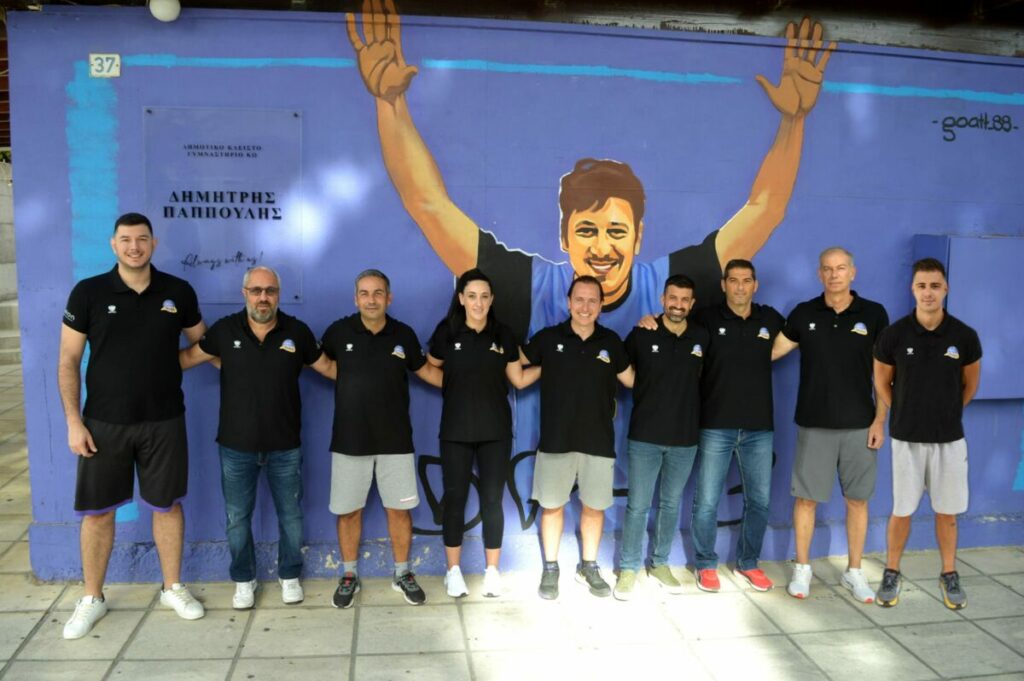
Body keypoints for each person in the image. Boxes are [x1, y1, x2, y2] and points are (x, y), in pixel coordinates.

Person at [346, 2, 836, 340]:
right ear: (563, 236)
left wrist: (793, 121)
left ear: (639, 237)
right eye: (587, 229)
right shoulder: (532, 287)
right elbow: (428, 203)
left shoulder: (666, 285)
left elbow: (765, 209)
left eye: (617, 231)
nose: (603, 247)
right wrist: (391, 104)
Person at [58, 212, 206, 640]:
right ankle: (92, 597)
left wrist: (169, 365)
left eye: (142, 239)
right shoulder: (88, 292)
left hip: (164, 420)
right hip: (103, 423)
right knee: (97, 513)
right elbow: (68, 360)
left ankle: (172, 588)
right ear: (113, 244)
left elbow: (202, 344)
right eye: (126, 239)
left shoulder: (177, 291)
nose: (134, 247)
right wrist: (73, 421)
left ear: (153, 244)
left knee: (167, 506)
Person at [180, 266, 335, 609]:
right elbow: (187, 358)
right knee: (237, 519)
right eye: (256, 290)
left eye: (270, 291)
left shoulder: (297, 332)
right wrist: (143, 365)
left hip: (285, 446)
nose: (263, 297)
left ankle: (289, 575)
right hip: (236, 447)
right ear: (245, 293)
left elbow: (329, 368)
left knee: (291, 517)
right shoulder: (224, 331)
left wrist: (372, 375)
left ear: (278, 294)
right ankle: (243, 579)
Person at [772, 247, 889, 603]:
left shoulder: (873, 314)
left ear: (853, 272)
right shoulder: (804, 313)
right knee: (806, 500)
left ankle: (854, 571)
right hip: (814, 425)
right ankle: (803, 569)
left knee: (858, 501)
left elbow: (884, 373)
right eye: (827, 269)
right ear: (819, 274)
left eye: (840, 268)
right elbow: (770, 351)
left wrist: (879, 421)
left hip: (860, 426)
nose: (834, 274)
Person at [320, 269, 442, 608]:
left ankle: (402, 573)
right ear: (355, 298)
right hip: (349, 440)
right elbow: (322, 363)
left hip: (395, 441)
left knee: (399, 511)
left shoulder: (403, 334)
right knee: (348, 512)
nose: (371, 299)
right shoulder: (338, 332)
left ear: (389, 297)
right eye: (364, 293)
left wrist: (469, 384)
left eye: (377, 293)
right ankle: (349, 574)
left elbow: (426, 371)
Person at [873, 258, 981, 609]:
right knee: (901, 510)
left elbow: (970, 385)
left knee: (947, 513)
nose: (928, 292)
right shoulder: (894, 335)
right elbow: (881, 381)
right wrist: (904, 409)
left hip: (949, 440)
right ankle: (892, 571)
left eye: (935, 286)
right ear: (913, 290)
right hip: (906, 438)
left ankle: (949, 573)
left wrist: (946, 412)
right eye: (922, 286)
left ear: (945, 289)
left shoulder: (964, 336)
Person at [425, 269, 539, 598]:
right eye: (472, 296)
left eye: (484, 297)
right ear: (461, 298)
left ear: (492, 300)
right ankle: (453, 572)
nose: (478, 303)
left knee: (492, 500)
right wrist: (453, 387)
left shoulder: (503, 334)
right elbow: (431, 366)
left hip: (495, 431)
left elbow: (518, 379)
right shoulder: (447, 332)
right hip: (455, 430)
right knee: (455, 499)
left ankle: (492, 571)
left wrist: (554, 363)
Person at [521, 276, 634, 600]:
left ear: (601, 305)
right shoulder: (548, 338)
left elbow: (632, 381)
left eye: (592, 300)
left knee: (594, 508)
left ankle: (588, 566)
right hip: (556, 441)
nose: (585, 307)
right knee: (552, 507)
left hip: (598, 443)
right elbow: (517, 367)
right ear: (569, 303)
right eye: (579, 300)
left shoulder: (611, 342)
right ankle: (551, 568)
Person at [690, 259, 783, 593]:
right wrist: (649, 321)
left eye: (746, 280)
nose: (740, 287)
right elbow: (675, 331)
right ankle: (705, 563)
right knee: (707, 501)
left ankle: (748, 562)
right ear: (723, 284)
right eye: (733, 280)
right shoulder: (706, 318)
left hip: (759, 428)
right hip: (716, 424)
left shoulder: (769, 319)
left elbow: (796, 337)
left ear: (755, 285)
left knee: (759, 501)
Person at [614, 274, 709, 600]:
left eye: (684, 300)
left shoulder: (702, 337)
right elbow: (621, 369)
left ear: (691, 304)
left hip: (685, 438)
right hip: (645, 436)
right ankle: (628, 568)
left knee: (670, 504)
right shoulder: (643, 333)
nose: (677, 305)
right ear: (662, 299)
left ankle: (659, 563)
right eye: (673, 298)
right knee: (638, 506)